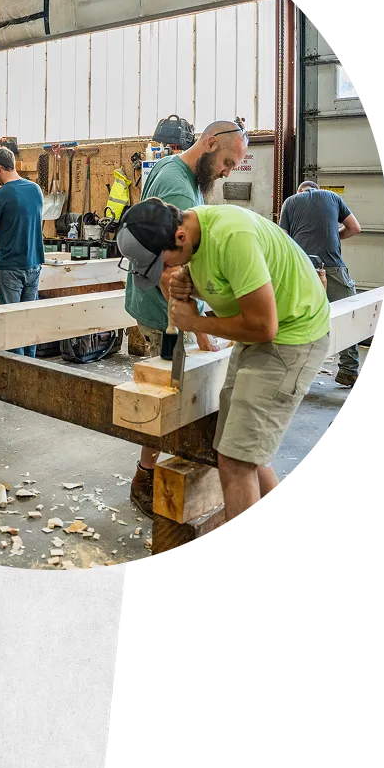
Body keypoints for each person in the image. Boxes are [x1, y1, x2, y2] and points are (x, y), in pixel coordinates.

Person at [116, 197, 330, 524]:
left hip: (292, 337)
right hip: (259, 336)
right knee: (244, 453)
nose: (167, 273)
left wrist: (196, 324)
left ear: (180, 238)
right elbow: (224, 288)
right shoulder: (191, 239)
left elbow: (264, 326)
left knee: (236, 462)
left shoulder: (231, 237)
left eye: (165, 264)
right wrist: (191, 290)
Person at [122, 120, 247, 511]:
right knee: (170, 392)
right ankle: (146, 477)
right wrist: (201, 330)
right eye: (227, 161)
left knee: (171, 389)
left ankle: (159, 470)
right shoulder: (179, 183)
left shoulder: (174, 167)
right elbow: (172, 273)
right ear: (210, 144)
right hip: (169, 315)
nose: (228, 172)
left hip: (164, 311)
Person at [279, 179, 364, 387]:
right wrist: (333, 235)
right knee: (348, 318)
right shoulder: (333, 197)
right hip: (332, 267)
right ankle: (348, 371)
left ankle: (295, 374)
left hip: (302, 270)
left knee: (299, 320)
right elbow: (355, 228)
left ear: (300, 190)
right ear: (317, 189)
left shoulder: (290, 202)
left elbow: (282, 238)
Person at [0, 147, 46, 359]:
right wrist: (0, 234)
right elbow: (29, 222)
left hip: (10, 267)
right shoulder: (35, 189)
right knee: (27, 320)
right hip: (34, 265)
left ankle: (17, 371)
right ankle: (31, 365)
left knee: (11, 324)